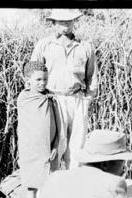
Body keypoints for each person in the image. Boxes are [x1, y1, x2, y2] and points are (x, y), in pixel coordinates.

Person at [31, 9, 98, 170]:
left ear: (74, 22)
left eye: (69, 21)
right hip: (53, 100)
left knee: (77, 146)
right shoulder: (45, 45)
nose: (66, 26)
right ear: (54, 23)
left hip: (77, 99)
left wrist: (87, 99)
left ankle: (72, 186)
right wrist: (38, 100)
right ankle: (52, 186)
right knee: (55, 144)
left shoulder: (85, 46)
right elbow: (33, 72)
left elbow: (92, 76)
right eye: (61, 22)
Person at [16, 61, 60, 198]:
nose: (42, 83)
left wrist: (55, 144)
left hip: (50, 149)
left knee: (48, 186)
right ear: (27, 80)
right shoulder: (24, 98)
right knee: (32, 187)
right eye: (38, 80)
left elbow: (57, 123)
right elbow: (27, 127)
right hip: (31, 150)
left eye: (45, 80)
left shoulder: (50, 98)